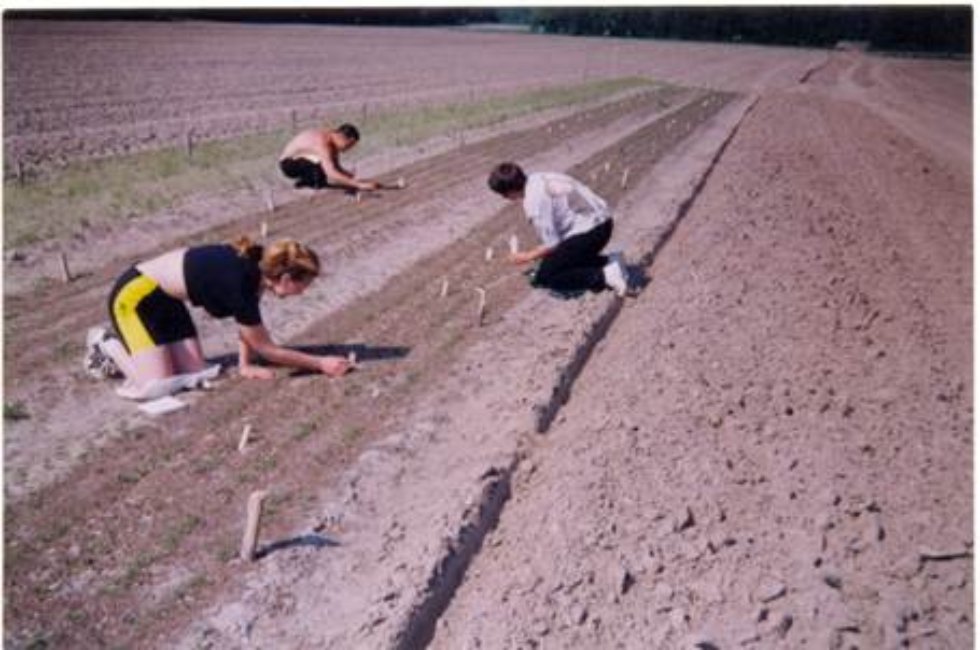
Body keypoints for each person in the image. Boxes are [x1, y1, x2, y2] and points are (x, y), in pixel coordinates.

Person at [98, 236, 351, 400]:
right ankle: (107, 346)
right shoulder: (241, 282)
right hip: (134, 296)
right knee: (156, 387)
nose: (303, 292)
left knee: (196, 372)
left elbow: (246, 324)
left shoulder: (257, 272)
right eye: (303, 285)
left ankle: (145, 352)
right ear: (285, 279)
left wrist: (244, 365)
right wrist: (320, 364)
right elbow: (267, 349)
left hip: (167, 300)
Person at [487, 162, 629, 297]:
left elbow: (552, 244)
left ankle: (604, 276)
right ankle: (609, 262)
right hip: (605, 221)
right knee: (560, 258)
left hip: (591, 232)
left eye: (503, 194)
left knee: (547, 275)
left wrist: (526, 256)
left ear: (510, 191)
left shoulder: (534, 202)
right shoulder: (539, 177)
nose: (505, 198)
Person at [278, 123, 381, 193]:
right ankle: (305, 184)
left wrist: (349, 177)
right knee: (319, 175)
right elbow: (331, 172)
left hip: (301, 159)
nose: (348, 149)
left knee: (322, 168)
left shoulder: (331, 141)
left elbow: (336, 166)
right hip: (288, 164)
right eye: (349, 145)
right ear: (342, 137)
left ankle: (309, 181)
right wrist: (358, 185)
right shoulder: (323, 143)